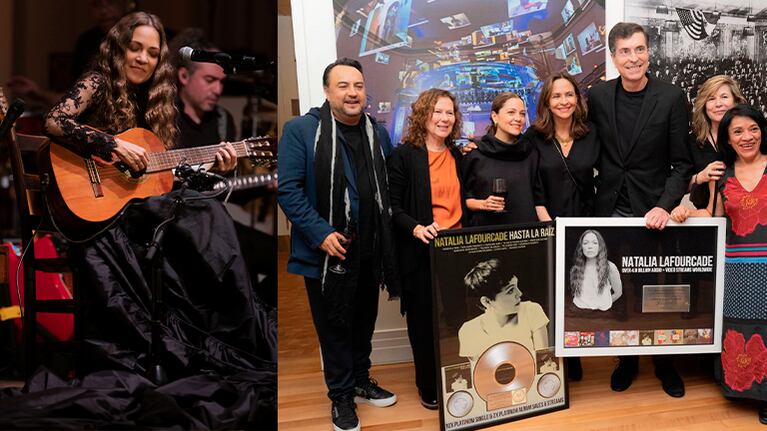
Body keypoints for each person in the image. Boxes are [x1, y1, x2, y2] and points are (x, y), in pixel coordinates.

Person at [39, 11, 276, 425]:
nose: (142, 59)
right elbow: (55, 121)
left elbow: (162, 176)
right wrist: (112, 144)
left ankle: (203, 344)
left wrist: (218, 166)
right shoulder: (97, 82)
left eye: (152, 52)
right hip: (100, 215)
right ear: (119, 48)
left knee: (203, 213)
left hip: (136, 212)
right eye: (135, 48)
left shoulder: (156, 103)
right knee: (202, 221)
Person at [277, 57, 399, 431]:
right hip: (328, 252)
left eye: (358, 86)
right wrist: (321, 233)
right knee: (334, 326)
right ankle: (341, 397)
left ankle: (361, 380)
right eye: (343, 86)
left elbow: (390, 182)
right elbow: (288, 190)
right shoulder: (300, 130)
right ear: (328, 91)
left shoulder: (376, 132)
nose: (352, 93)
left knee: (364, 322)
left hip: (369, 248)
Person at [587, 22, 692, 397]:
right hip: (611, 208)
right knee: (620, 289)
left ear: (649, 52)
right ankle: (627, 359)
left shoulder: (671, 96)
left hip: (655, 213)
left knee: (659, 290)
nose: (633, 58)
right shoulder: (598, 96)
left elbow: (682, 163)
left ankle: (665, 363)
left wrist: (665, 206)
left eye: (639, 49)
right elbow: (570, 137)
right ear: (613, 57)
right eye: (625, 51)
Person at [670, 104, 767, 424]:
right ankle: (743, 387)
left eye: (753, 129)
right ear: (727, 137)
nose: (747, 136)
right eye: (737, 131)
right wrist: (683, 211)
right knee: (741, 327)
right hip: (737, 267)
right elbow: (713, 217)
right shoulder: (721, 174)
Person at [168, 28, 278, 309]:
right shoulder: (164, 120)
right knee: (239, 262)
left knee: (279, 259)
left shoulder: (221, 121)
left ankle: (256, 332)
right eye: (209, 80)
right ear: (183, 76)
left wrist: (263, 185)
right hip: (174, 225)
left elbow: (221, 191)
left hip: (214, 220)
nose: (218, 89)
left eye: (221, 81)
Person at [387, 88, 465, 410]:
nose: (445, 118)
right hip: (421, 251)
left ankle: (458, 379)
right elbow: (392, 206)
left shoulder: (459, 155)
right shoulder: (405, 155)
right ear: (423, 115)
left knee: (458, 318)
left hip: (456, 249)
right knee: (422, 321)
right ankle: (428, 384)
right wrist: (416, 228)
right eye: (438, 112)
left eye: (450, 113)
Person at [528, 71, 598, 381]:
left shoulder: (591, 134)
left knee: (578, 289)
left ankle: (573, 352)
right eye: (556, 95)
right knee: (547, 293)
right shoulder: (533, 138)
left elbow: (605, 177)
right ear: (546, 101)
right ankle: (550, 354)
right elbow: (530, 184)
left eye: (569, 94)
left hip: (584, 225)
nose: (563, 101)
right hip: (548, 224)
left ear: (577, 99)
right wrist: (547, 223)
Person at [461, 92, 543, 226]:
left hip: (526, 237)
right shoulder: (475, 154)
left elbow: (539, 201)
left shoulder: (530, 153)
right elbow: (460, 200)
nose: (518, 118)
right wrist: (483, 204)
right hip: (488, 237)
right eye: (511, 112)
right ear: (495, 116)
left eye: (522, 114)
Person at [458, 259, 548, 361]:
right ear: (487, 301)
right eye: (510, 291)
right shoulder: (469, 331)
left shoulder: (532, 310)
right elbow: (479, 373)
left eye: (516, 286)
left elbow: (543, 360)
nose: (519, 293)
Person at [687, 75, 747, 209]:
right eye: (711, 98)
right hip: (708, 220)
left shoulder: (751, 137)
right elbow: (679, 185)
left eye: (724, 97)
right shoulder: (693, 142)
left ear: (736, 101)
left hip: (749, 215)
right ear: (704, 105)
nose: (718, 104)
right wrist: (700, 177)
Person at [569, 229, 622, 311]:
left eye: (594, 243)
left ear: (600, 246)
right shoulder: (575, 269)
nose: (590, 247)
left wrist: (605, 303)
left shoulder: (610, 267)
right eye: (586, 243)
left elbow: (618, 292)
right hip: (580, 313)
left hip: (603, 315)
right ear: (581, 247)